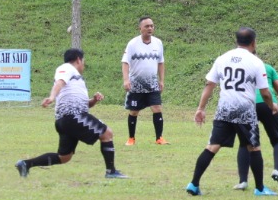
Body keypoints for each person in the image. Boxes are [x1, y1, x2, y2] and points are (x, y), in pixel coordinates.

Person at [188, 27, 278, 196]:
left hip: (225, 109)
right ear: (253, 42)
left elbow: (209, 85)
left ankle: (194, 184)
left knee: (212, 146)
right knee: (254, 147)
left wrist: (201, 108)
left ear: (236, 41)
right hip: (245, 110)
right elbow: (265, 92)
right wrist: (272, 105)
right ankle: (260, 188)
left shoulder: (222, 58)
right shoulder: (255, 62)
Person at [14, 48, 126, 180]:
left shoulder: (77, 79)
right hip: (72, 116)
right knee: (107, 133)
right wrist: (51, 97)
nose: (84, 64)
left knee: (64, 157)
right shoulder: (66, 68)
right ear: (79, 59)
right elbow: (59, 82)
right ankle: (111, 171)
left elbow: (85, 105)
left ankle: (26, 164)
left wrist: (94, 100)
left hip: (67, 119)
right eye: (83, 61)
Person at [235, 52, 278, 191]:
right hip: (268, 104)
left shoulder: (239, 70)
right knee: (277, 140)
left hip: (246, 104)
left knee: (245, 143)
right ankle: (277, 170)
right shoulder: (267, 68)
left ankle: (243, 181)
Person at [121, 15, 166, 145]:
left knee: (157, 108)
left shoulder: (158, 43)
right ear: (140, 28)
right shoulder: (132, 44)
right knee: (134, 111)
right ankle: (131, 138)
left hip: (152, 84)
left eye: (151, 26)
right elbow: (125, 62)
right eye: (147, 26)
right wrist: (126, 80)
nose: (150, 28)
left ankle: (159, 138)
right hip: (136, 84)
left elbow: (161, 62)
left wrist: (161, 80)